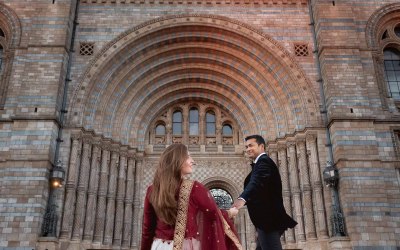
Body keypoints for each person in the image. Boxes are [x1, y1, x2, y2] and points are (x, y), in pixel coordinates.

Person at [141, 143, 242, 250]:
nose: (192, 161)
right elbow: (213, 214)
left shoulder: (152, 190)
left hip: (159, 246)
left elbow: (147, 229)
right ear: (178, 160)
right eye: (188, 157)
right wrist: (230, 213)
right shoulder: (195, 188)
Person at [233, 135, 297, 250]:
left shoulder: (264, 162)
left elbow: (257, 182)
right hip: (265, 222)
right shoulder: (260, 163)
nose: (248, 149)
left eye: (251, 145)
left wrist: (242, 199)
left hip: (268, 221)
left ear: (261, 146)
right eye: (246, 146)